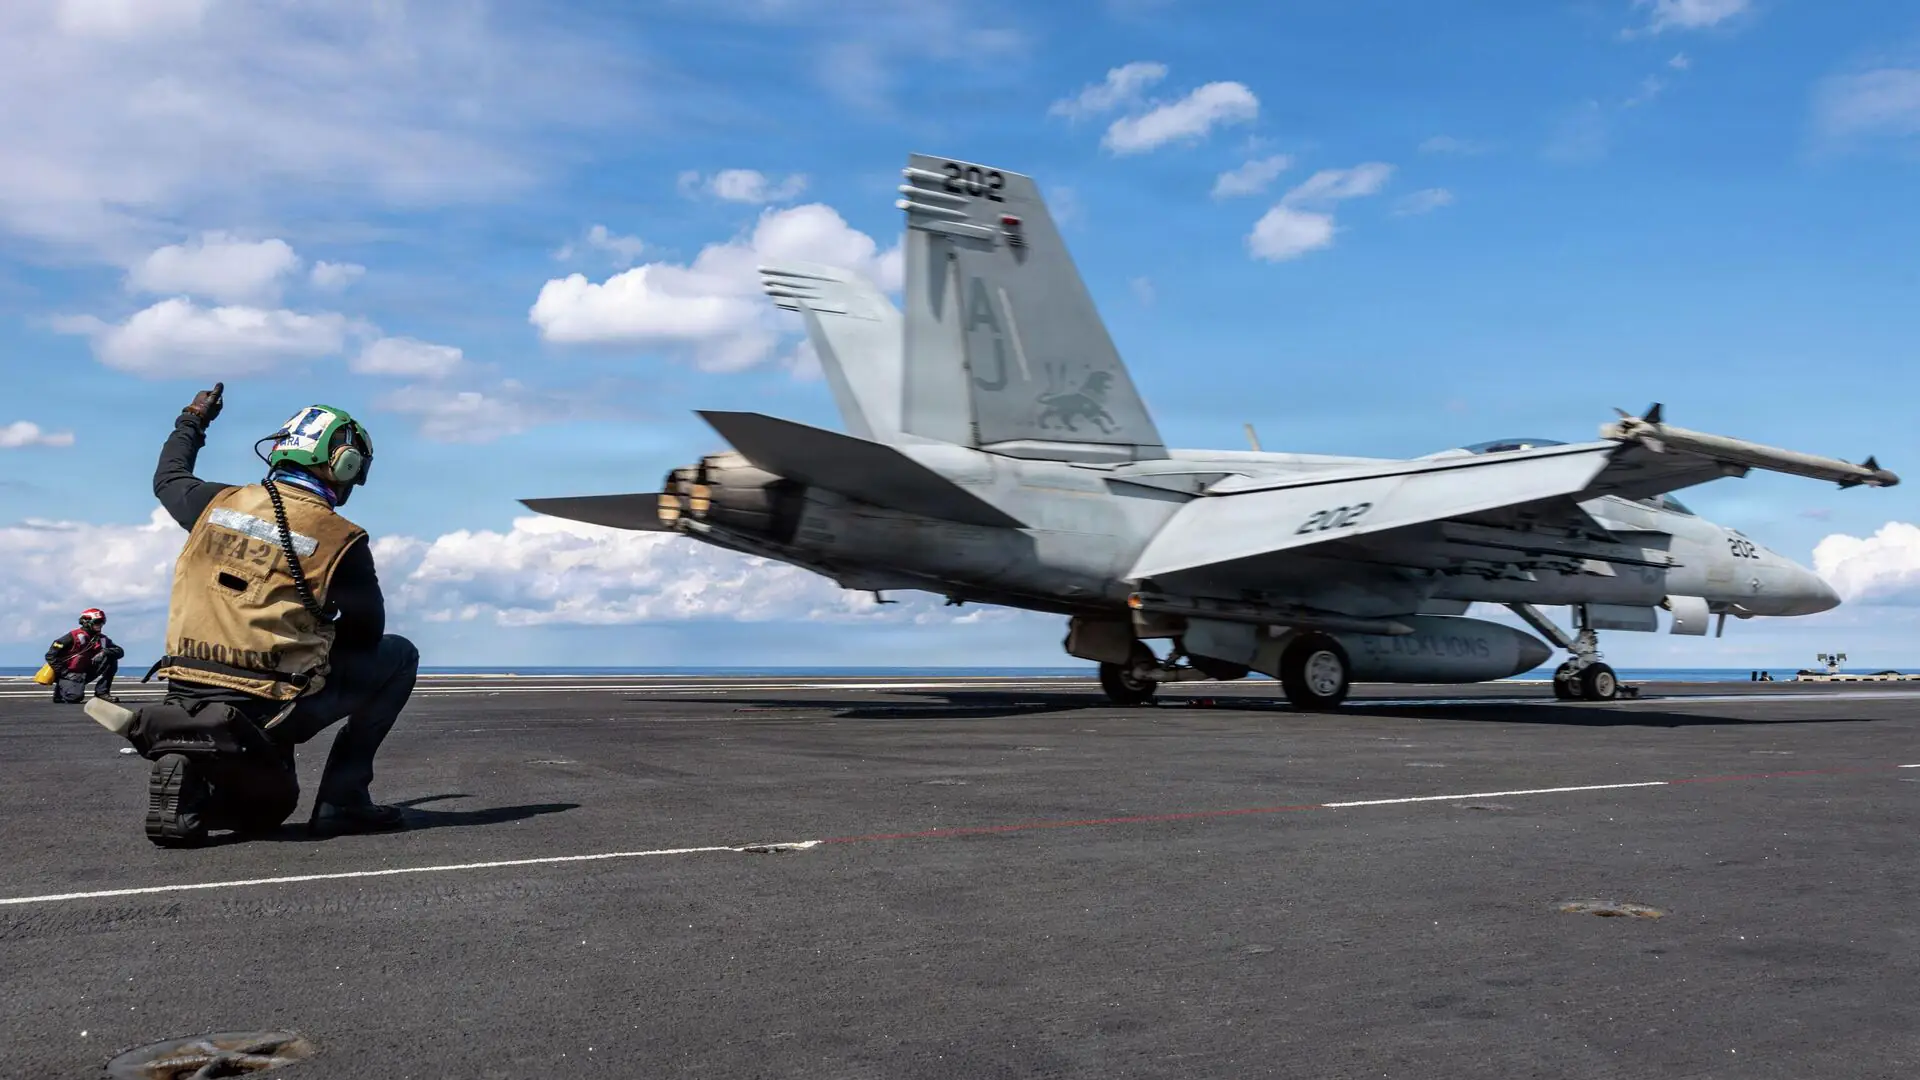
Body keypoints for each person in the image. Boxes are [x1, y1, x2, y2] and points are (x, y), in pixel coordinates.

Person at [128, 382, 419, 847]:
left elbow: (168, 475)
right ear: (342, 464)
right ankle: (343, 800)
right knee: (399, 655)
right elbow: (366, 635)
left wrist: (193, 418)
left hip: (183, 692)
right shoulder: (341, 539)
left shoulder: (211, 504)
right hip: (270, 705)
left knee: (269, 810)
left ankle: (193, 782)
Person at [45, 609, 124, 704]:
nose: (100, 625)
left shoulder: (102, 638)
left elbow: (120, 651)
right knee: (75, 698)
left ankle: (102, 693)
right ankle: (61, 691)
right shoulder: (72, 636)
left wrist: (104, 652)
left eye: (102, 622)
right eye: (97, 622)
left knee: (111, 657)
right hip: (70, 674)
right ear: (86, 622)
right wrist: (65, 673)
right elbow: (50, 656)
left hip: (86, 672)